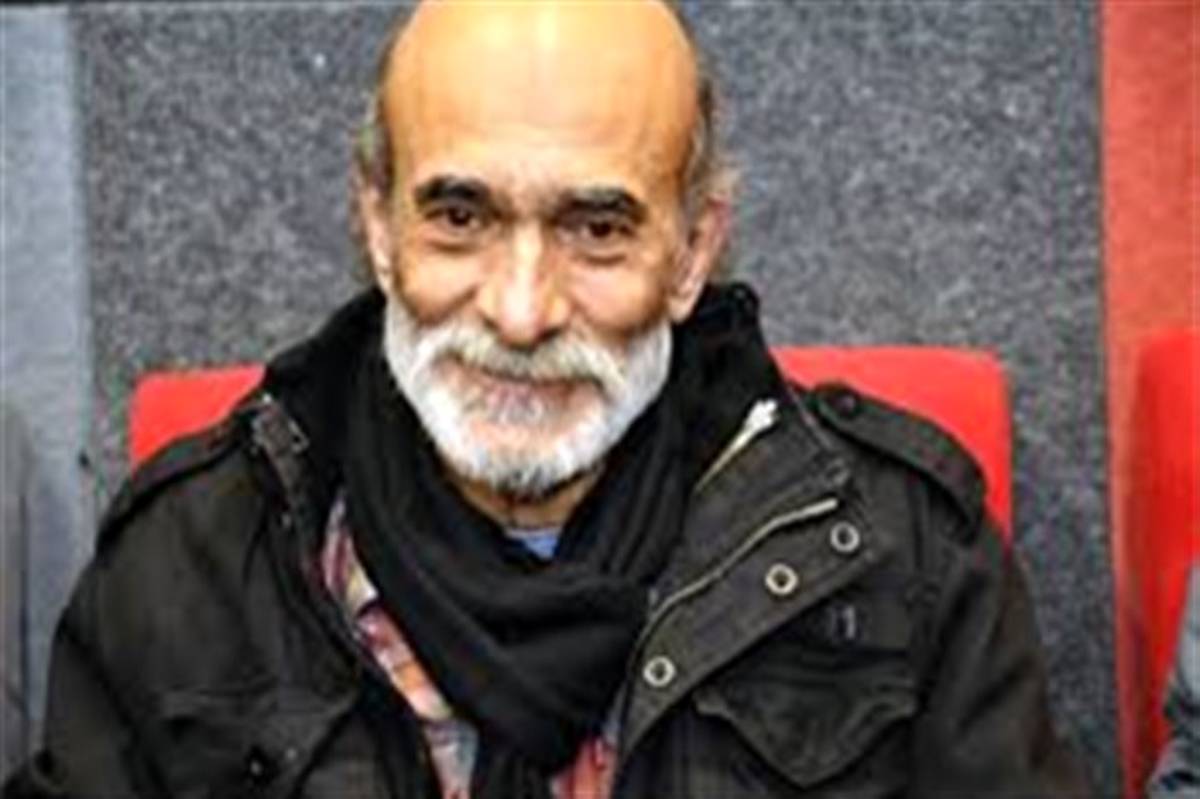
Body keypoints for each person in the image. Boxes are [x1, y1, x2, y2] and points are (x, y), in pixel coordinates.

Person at [6, 1, 1087, 796]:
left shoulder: (902, 553)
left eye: (597, 229)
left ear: (692, 251)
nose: (521, 312)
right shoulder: (190, 559)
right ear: (378, 225)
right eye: (460, 218)